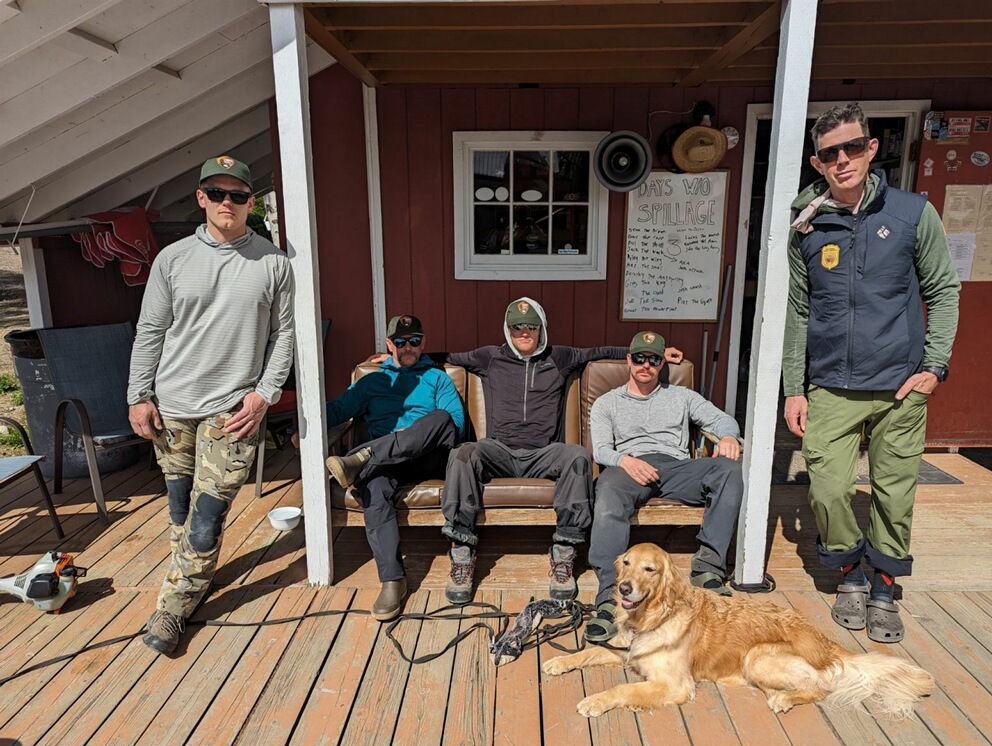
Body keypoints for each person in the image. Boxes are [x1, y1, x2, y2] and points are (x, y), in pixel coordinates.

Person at [783, 102, 960, 643]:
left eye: (852, 148)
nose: (843, 160)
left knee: (894, 491)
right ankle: (848, 571)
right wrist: (795, 387)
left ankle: (882, 583)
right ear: (817, 162)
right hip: (832, 383)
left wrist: (933, 366)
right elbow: (799, 309)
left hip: (900, 385)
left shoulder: (912, 214)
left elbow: (943, 290)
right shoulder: (807, 225)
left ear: (872, 149)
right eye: (831, 153)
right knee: (829, 489)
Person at [128, 155, 295, 655]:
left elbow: (283, 334)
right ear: (201, 198)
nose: (228, 203)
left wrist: (265, 392)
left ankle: (172, 609)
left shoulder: (273, 263)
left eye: (238, 195)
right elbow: (151, 331)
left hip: (232, 412)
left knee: (206, 515)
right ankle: (194, 581)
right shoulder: (173, 260)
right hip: (173, 407)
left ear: (251, 201)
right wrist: (139, 394)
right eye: (217, 193)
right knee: (180, 510)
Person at [436, 297, 682, 605]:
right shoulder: (489, 357)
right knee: (462, 453)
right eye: (516, 327)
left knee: (578, 456)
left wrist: (656, 354)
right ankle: (461, 550)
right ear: (507, 329)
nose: (524, 333)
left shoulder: (561, 357)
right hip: (498, 450)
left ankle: (564, 551)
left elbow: (602, 351)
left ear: (541, 329)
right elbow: (445, 356)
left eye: (531, 327)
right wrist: (399, 355)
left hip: (545, 453)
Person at [585, 331, 743, 642]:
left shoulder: (682, 396)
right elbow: (600, 449)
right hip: (630, 467)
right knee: (607, 491)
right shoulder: (608, 402)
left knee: (729, 471)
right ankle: (608, 598)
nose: (646, 365)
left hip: (676, 466)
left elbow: (724, 421)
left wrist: (727, 436)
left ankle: (708, 566)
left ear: (661, 364)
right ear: (629, 360)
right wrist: (626, 461)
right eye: (640, 358)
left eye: (653, 359)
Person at [320, 314, 464, 620]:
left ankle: (362, 458)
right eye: (400, 342)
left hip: (429, 457)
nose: (408, 347)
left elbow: (456, 426)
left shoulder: (437, 377)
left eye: (414, 341)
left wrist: (402, 440)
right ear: (389, 344)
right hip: (388, 464)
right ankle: (392, 580)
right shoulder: (372, 381)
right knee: (373, 486)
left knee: (439, 418)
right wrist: (299, 426)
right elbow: (336, 410)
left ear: (424, 342)